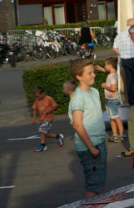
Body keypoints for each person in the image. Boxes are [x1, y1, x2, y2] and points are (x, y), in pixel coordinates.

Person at [68, 58, 105, 198]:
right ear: (79, 76)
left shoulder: (94, 91)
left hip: (99, 141)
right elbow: (77, 124)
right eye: (90, 73)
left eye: (93, 72)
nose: (94, 75)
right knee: (93, 184)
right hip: (90, 145)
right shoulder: (78, 98)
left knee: (99, 181)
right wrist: (91, 147)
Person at [96, 58, 124, 143]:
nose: (105, 66)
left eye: (106, 65)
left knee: (115, 117)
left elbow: (113, 88)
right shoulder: (115, 74)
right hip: (111, 99)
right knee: (111, 118)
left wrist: (105, 86)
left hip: (112, 99)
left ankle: (121, 135)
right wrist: (101, 69)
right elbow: (107, 71)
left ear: (110, 65)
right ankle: (114, 134)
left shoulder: (111, 76)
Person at [113, 18, 134, 111]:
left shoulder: (121, 34)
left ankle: (130, 100)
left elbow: (114, 48)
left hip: (125, 59)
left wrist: (121, 54)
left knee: (129, 80)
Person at [30, 86, 63, 152]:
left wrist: (48, 111)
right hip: (41, 119)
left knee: (41, 130)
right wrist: (34, 118)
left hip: (49, 118)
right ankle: (57, 136)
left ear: (43, 93)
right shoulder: (37, 100)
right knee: (43, 133)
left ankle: (43, 145)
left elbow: (55, 106)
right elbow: (35, 109)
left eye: (38, 96)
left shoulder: (49, 99)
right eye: (35, 97)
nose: (37, 98)